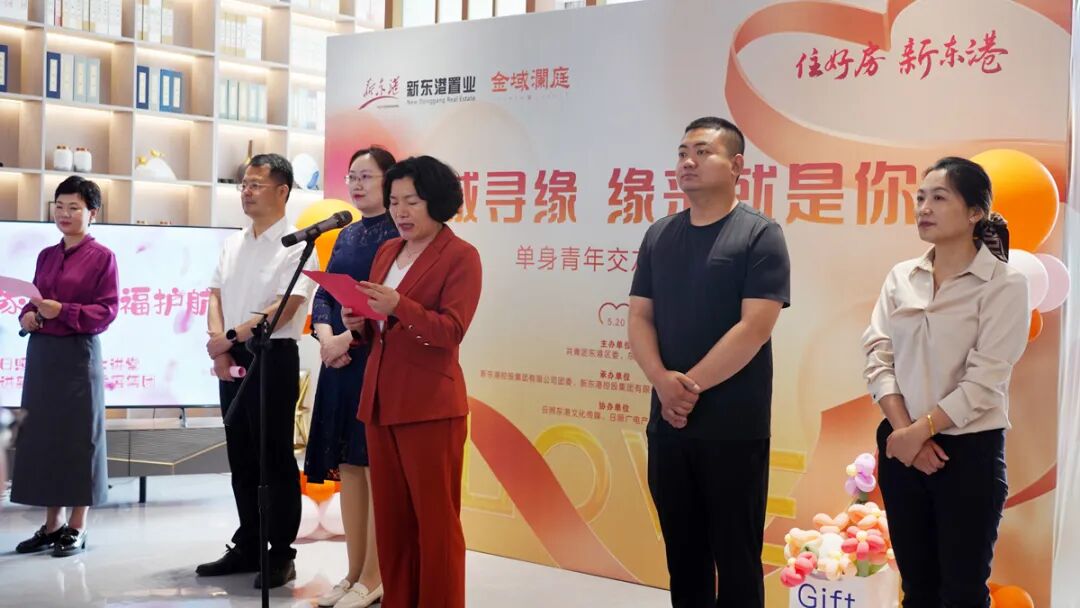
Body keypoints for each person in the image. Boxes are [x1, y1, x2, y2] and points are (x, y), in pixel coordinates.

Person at [628, 117, 790, 607]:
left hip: (733, 428)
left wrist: (686, 388)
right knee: (684, 557)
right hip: (669, 425)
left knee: (737, 559)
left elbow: (754, 328)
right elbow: (639, 317)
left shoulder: (760, 235)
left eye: (702, 152)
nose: (688, 162)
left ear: (736, 165)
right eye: (683, 153)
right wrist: (662, 382)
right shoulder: (660, 235)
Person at [862, 157, 1029, 607]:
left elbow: (986, 379)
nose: (924, 208)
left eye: (939, 197)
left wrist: (922, 431)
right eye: (920, 198)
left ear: (975, 212)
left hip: (969, 451)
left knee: (962, 593)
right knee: (916, 589)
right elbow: (878, 356)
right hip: (901, 446)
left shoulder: (1004, 284)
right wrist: (906, 435)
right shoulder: (901, 277)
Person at [341, 155, 482, 608]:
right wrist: (358, 323)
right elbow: (379, 329)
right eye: (395, 201)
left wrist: (398, 304)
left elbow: (450, 332)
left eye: (412, 202)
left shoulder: (461, 256)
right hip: (380, 402)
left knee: (436, 523)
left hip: (430, 406)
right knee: (393, 522)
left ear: (437, 202)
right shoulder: (387, 251)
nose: (400, 212)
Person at [197, 153, 319, 589]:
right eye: (243, 184)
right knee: (241, 456)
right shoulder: (234, 242)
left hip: (272, 356)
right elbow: (214, 295)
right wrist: (220, 346)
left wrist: (230, 337)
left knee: (274, 457)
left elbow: (286, 306)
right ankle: (248, 543)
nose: (246, 192)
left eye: (256, 185)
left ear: (282, 191)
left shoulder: (298, 245)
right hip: (231, 355)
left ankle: (281, 552)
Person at [305, 147, 398, 608]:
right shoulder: (347, 233)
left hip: (375, 361)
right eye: (352, 177)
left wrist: (346, 340)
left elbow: (389, 305)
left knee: (375, 467)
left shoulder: (398, 236)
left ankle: (376, 576)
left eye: (367, 176)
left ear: (390, 181)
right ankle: (354, 572)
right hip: (339, 362)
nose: (357, 185)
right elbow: (325, 295)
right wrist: (327, 338)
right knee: (349, 467)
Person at [12, 175, 119, 557]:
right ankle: (51, 524)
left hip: (78, 355)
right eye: (59, 206)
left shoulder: (103, 256)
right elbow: (34, 299)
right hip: (42, 355)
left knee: (78, 439)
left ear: (93, 213)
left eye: (74, 207)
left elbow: (107, 312)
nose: (65, 214)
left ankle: (77, 525)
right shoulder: (46, 255)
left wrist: (65, 311)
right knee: (45, 437)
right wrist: (27, 316)